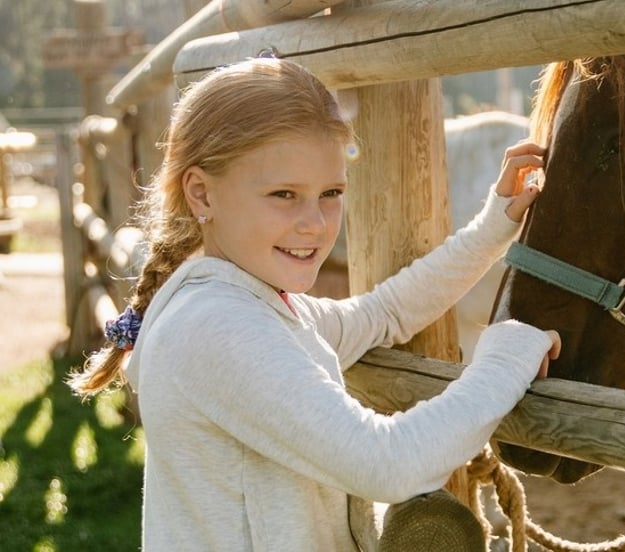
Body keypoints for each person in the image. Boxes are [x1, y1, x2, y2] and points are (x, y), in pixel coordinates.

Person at [68, 58, 560, 551]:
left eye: (331, 192)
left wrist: (495, 225)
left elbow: (382, 314)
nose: (316, 224)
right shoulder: (216, 325)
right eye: (284, 194)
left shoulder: (245, 302)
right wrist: (503, 360)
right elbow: (387, 463)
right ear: (202, 194)